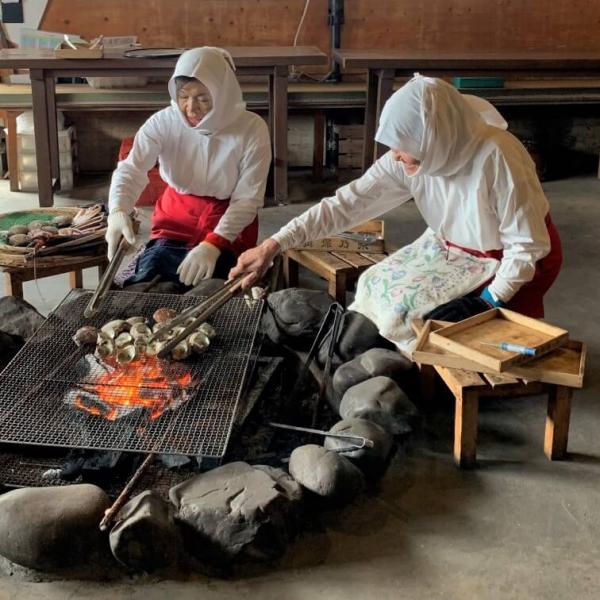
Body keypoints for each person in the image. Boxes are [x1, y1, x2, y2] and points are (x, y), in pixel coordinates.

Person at [230, 75, 562, 346]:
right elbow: (346, 203)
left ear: (435, 137)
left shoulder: (498, 156)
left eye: (404, 147)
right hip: (451, 249)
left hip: (510, 259)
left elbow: (527, 246)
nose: (396, 156)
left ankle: (417, 372)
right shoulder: (412, 156)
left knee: (414, 314)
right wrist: (273, 244)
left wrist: (489, 299)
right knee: (373, 282)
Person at [105, 47, 271, 289]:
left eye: (203, 98)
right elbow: (132, 169)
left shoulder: (251, 128)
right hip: (177, 214)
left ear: (223, 94)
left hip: (227, 218)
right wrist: (118, 209)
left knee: (215, 283)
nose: (191, 108)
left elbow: (247, 199)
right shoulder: (164, 122)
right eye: (183, 97)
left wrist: (213, 243)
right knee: (151, 275)